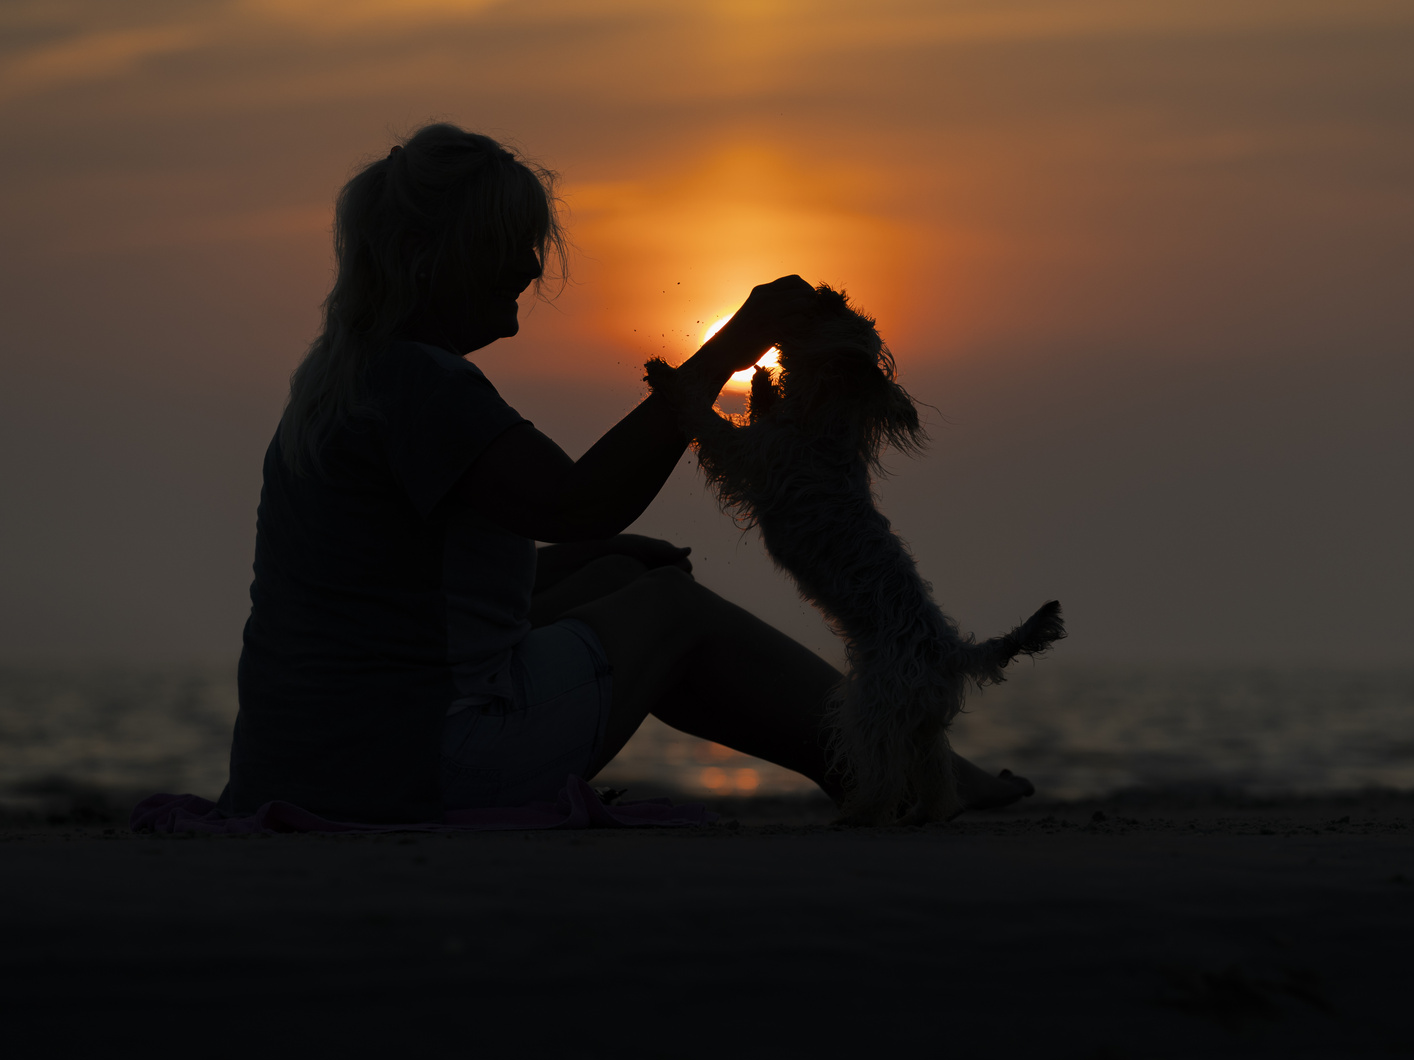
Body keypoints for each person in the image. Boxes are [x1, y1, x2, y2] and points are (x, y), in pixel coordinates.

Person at [219, 122, 1033, 822]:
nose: (532, 268)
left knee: (620, 573)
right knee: (671, 610)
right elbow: (579, 501)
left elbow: (420, 592)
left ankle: (887, 761)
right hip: (414, 765)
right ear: (438, 260)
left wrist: (598, 565)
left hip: (312, 761)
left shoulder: (344, 382)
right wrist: (728, 349)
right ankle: (900, 769)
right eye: (510, 245)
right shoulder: (423, 386)